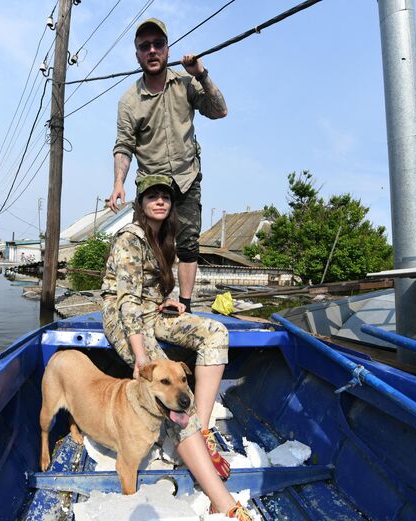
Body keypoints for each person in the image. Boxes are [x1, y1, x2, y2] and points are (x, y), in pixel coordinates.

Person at [101, 174, 252, 520]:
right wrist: (142, 358)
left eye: (165, 198)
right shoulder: (129, 238)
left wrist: (172, 301)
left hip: (152, 310)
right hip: (124, 317)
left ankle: (198, 429)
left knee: (216, 332)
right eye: (152, 196)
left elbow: (153, 288)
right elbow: (126, 303)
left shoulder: (163, 237)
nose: (160, 202)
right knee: (164, 373)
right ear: (140, 204)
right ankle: (225, 503)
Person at [109, 17, 228, 314]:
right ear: (137, 55)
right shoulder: (128, 100)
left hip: (187, 177)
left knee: (188, 245)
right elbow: (124, 145)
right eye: (144, 46)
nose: (152, 50)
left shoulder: (186, 84)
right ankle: (148, 303)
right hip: (152, 183)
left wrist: (201, 73)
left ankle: (184, 305)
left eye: (157, 44)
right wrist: (118, 184)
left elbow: (220, 111)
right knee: (150, 246)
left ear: (167, 49)